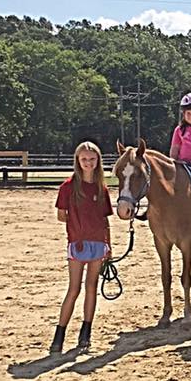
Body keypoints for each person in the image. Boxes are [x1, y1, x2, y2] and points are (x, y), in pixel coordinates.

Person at [50, 141, 113, 354]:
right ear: (78, 160)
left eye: (92, 159)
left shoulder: (101, 188)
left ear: (98, 161)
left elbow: (105, 220)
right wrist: (77, 227)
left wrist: (108, 245)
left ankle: (86, 333)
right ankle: (59, 335)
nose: (88, 163)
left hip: (98, 243)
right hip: (77, 244)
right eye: (84, 159)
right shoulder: (68, 187)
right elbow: (61, 215)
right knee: (74, 289)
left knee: (92, 288)